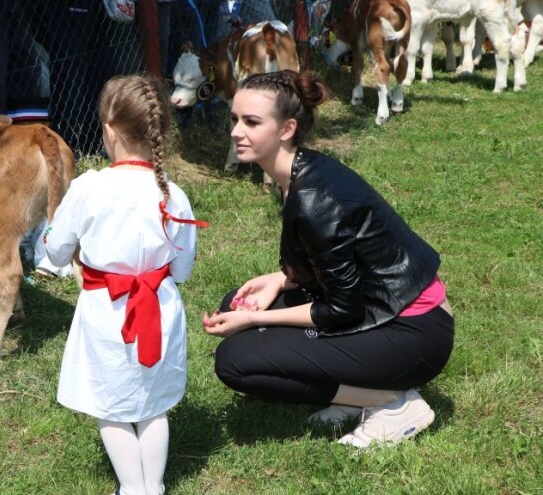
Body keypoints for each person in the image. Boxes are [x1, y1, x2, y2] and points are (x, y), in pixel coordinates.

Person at [203, 70, 454, 449]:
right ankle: (358, 392)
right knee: (234, 304)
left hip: (413, 331)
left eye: (251, 122)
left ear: (287, 128)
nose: (236, 131)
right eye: (234, 119)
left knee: (236, 359)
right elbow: (341, 261)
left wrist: (255, 318)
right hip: (383, 306)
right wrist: (280, 279)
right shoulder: (302, 170)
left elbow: (342, 309)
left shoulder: (314, 198)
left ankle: (391, 401)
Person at [43, 74, 205, 495]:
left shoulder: (90, 188)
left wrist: (51, 245)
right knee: (153, 405)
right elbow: (183, 267)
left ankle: (132, 488)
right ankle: (153, 486)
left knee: (111, 408)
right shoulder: (175, 195)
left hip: (105, 313)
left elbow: (56, 251)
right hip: (160, 309)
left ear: (109, 131)